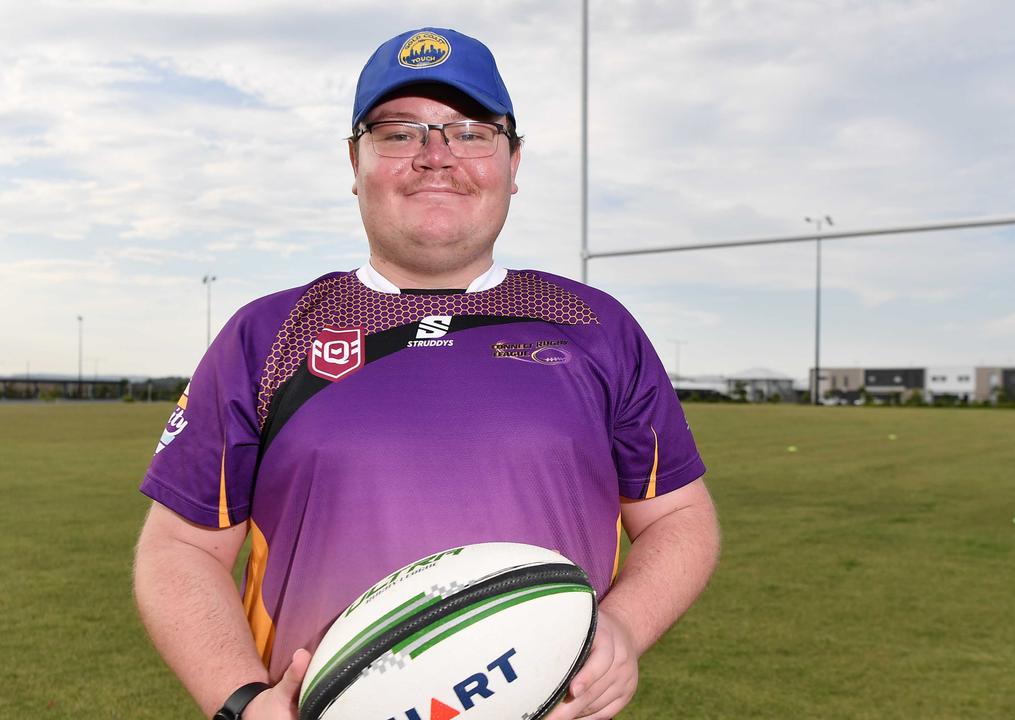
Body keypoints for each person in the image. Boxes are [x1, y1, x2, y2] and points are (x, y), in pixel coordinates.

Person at [132, 26, 719, 720]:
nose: (435, 158)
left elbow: (679, 517)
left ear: (512, 159)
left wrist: (623, 626)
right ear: (355, 161)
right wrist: (242, 701)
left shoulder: (595, 325)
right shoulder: (267, 335)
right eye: (399, 132)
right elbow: (178, 548)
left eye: (470, 132)